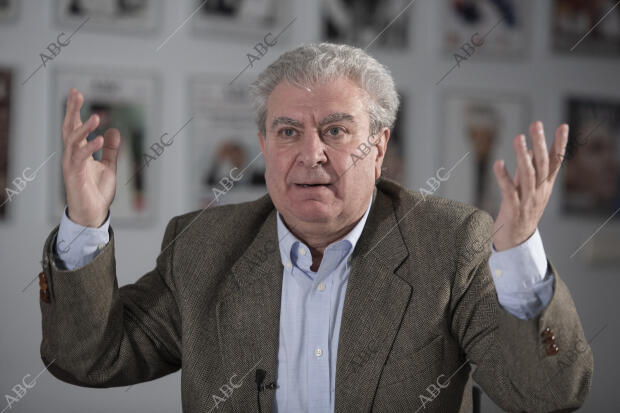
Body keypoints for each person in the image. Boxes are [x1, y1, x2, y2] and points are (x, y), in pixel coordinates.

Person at [37, 43, 592, 412]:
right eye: (287, 132)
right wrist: (86, 222)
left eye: (335, 130)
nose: (311, 155)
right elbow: (89, 358)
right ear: (263, 146)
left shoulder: (450, 243)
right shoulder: (203, 246)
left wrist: (517, 250)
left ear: (378, 149)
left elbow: (548, 394)